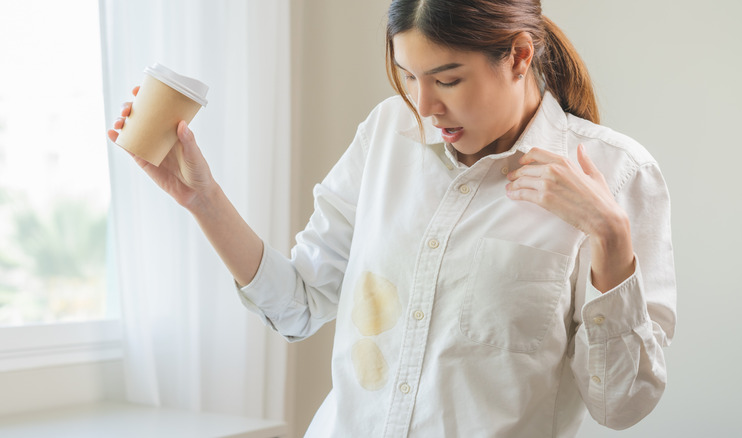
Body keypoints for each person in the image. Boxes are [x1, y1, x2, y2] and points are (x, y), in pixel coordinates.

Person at [108, 0, 676, 436]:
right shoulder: (387, 133)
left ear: (520, 56)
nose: (424, 105)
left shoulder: (618, 174)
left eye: (447, 79)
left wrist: (611, 237)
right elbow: (300, 305)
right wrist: (201, 197)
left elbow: (620, 403)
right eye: (408, 75)